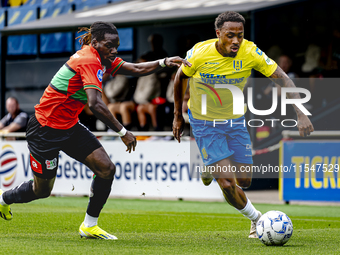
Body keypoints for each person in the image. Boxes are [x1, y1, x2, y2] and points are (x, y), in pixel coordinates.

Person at [0, 21, 190, 239]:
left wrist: (164, 62)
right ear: (95, 42)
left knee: (106, 168)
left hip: (69, 126)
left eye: (116, 45)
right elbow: (95, 104)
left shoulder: (102, 58)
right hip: (45, 129)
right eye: (110, 45)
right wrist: (122, 132)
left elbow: (135, 68)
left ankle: (89, 225)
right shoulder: (89, 60)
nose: (114, 50)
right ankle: (4, 199)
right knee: (41, 191)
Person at [172, 11, 314, 238]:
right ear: (218, 34)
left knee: (245, 179)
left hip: (236, 120)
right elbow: (180, 77)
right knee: (227, 183)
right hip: (205, 122)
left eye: (240, 35)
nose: (236, 41)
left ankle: (209, 166)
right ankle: (256, 219)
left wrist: (300, 112)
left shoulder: (251, 51)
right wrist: (178, 114)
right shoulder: (200, 53)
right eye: (230, 35)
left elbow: (281, 77)